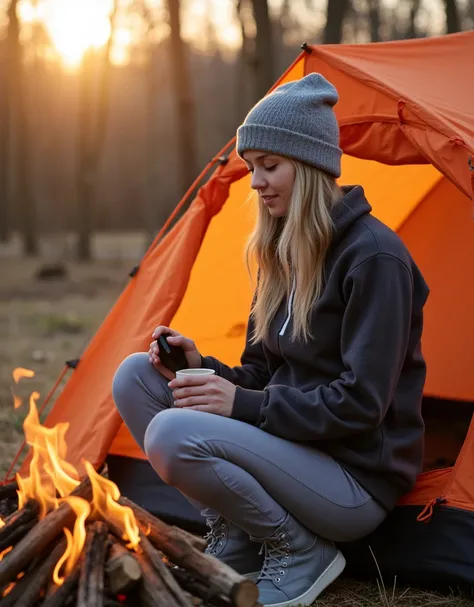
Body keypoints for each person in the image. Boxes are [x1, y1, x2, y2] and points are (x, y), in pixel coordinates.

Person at [112, 73, 429, 607]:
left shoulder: (375, 258)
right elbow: (261, 375)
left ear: (309, 166)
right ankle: (237, 535)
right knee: (135, 378)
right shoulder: (283, 253)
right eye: (251, 166)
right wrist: (204, 368)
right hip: (291, 450)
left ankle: (301, 551)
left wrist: (240, 402)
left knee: (170, 435)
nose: (255, 182)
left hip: (353, 479)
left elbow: (363, 404)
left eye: (270, 165)